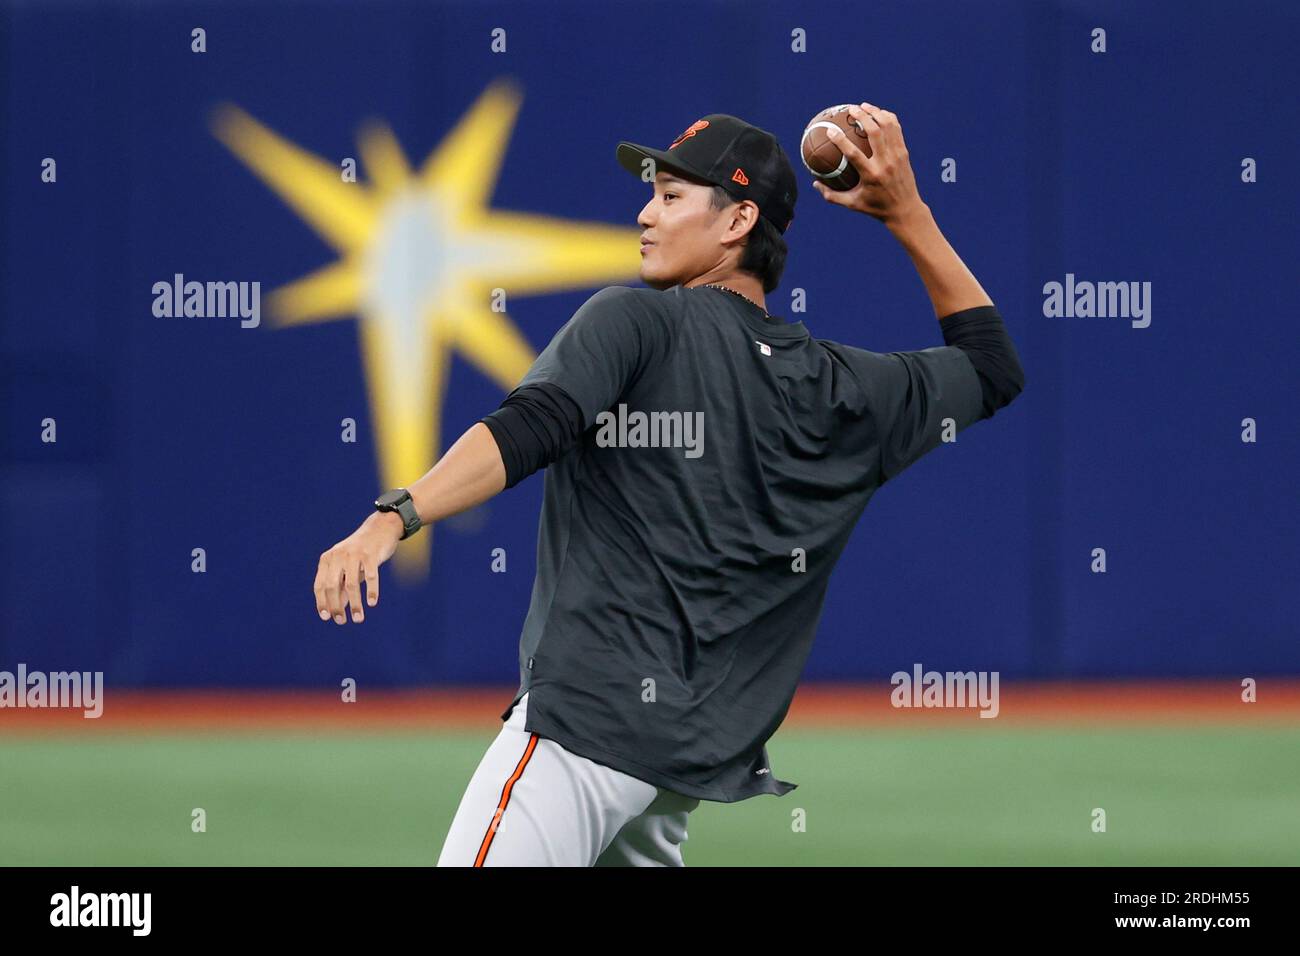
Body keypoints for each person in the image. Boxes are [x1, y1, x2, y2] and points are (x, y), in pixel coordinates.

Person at [312, 104, 1026, 866]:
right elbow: (991, 366)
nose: (645, 213)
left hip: (579, 743)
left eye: (672, 196)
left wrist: (397, 514)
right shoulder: (843, 390)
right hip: (676, 770)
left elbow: (529, 429)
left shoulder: (637, 322)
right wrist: (907, 213)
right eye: (653, 191)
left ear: (737, 221)